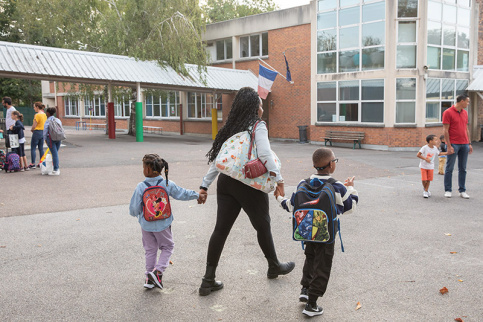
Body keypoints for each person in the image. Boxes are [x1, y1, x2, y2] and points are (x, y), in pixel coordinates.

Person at [197, 87, 294, 296]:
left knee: (220, 230)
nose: (261, 107)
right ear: (253, 107)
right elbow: (266, 153)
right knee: (263, 225)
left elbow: (218, 161)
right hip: (249, 184)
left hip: (226, 183)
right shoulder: (258, 125)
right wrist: (279, 179)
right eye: (259, 103)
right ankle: (273, 265)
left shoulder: (231, 127)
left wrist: (205, 185)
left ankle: (208, 280)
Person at [275, 147, 358, 317]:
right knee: (323, 265)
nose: (335, 163)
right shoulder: (337, 186)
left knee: (310, 257)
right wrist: (351, 189)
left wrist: (279, 198)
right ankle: (311, 304)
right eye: (334, 160)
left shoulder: (302, 183)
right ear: (330, 165)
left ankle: (305, 289)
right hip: (326, 234)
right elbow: (350, 207)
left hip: (307, 231)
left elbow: (291, 206)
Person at [129, 154, 205, 289]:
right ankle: (158, 272)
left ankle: (149, 278)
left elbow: (134, 209)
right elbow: (182, 193)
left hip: (146, 224)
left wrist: (139, 216)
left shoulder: (141, 186)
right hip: (163, 224)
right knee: (168, 247)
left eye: (143, 167)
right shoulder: (167, 183)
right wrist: (197, 195)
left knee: (150, 250)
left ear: (148, 170)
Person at [442, 94, 472, 199]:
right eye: (467, 102)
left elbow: (466, 128)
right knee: (449, 168)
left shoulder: (465, 113)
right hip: (453, 144)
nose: (468, 104)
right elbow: (445, 130)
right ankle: (448, 190)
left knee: (463, 168)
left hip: (464, 144)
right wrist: (449, 146)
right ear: (462, 101)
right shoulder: (447, 112)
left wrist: (469, 143)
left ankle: (462, 190)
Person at [43, 107, 63, 176]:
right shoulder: (57, 120)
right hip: (58, 137)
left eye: (46, 112)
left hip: (51, 139)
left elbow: (45, 131)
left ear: (48, 113)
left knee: (54, 154)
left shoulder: (48, 121)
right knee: (55, 153)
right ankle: (55, 167)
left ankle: (56, 169)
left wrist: (45, 139)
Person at [29, 102, 47, 169]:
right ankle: (41, 162)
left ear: (37, 107)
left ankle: (33, 163)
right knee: (41, 148)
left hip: (37, 131)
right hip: (43, 132)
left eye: (34, 107)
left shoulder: (37, 115)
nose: (34, 108)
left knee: (33, 148)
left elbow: (34, 125)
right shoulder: (44, 115)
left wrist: (32, 129)